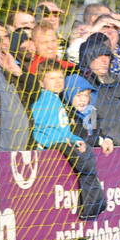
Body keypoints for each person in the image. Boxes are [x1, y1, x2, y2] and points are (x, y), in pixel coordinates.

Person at [30, 60, 107, 220]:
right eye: (52, 78)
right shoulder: (43, 101)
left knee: (88, 157)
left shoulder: (57, 100)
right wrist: (65, 142)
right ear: (41, 83)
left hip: (63, 143)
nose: (58, 82)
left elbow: (64, 129)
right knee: (87, 164)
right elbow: (44, 129)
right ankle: (93, 204)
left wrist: (76, 140)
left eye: (60, 77)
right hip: (53, 147)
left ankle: (93, 203)